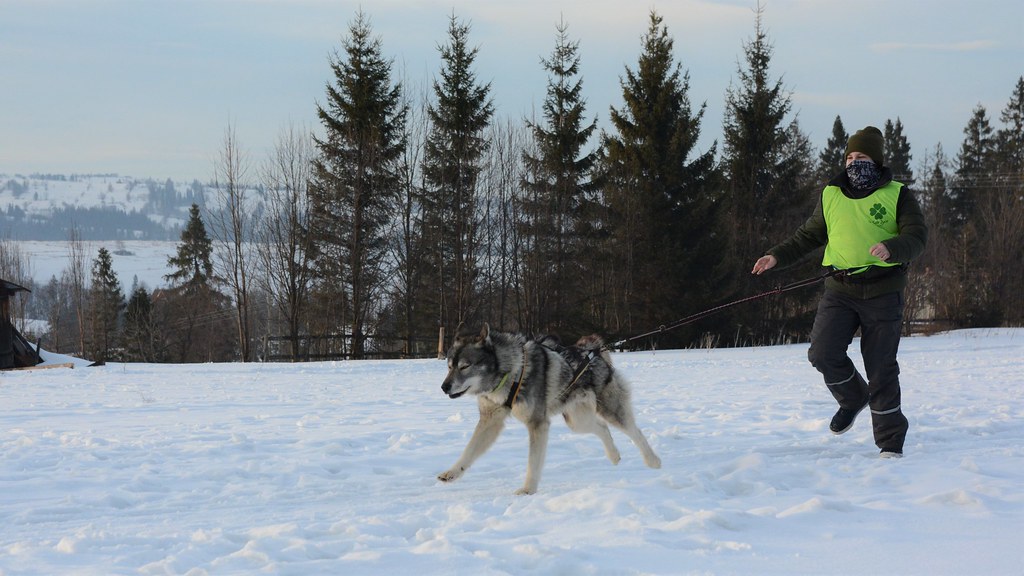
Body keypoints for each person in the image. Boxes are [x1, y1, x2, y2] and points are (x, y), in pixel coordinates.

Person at [751, 126, 927, 458]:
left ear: (876, 161)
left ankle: (890, 442)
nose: (854, 162)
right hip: (840, 290)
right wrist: (776, 256)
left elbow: (917, 237)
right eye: (849, 157)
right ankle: (853, 397)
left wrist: (893, 248)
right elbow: (808, 236)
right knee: (822, 353)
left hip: (883, 291)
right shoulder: (831, 194)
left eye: (861, 157)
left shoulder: (898, 194)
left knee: (881, 368)